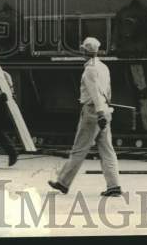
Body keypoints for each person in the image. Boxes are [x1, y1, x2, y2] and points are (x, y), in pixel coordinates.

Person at [48, 37, 122, 198]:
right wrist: (106, 111)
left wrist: (100, 112)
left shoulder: (89, 70)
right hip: (105, 110)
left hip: (93, 111)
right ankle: (114, 185)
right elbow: (107, 92)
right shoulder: (104, 67)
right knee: (107, 150)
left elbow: (94, 93)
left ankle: (63, 182)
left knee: (79, 149)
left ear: (84, 52)